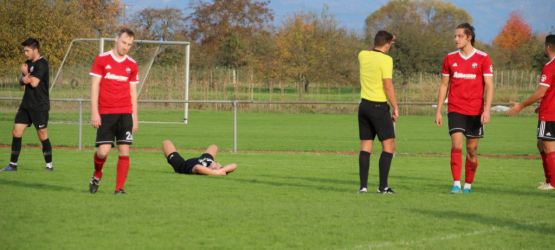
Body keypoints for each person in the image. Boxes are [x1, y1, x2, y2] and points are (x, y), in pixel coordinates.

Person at [435, 23, 494, 194]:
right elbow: (444, 85)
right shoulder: (450, 58)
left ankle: (468, 184)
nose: (456, 39)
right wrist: (438, 109)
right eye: (455, 36)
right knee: (456, 145)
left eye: (459, 36)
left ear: (469, 37)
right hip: (455, 108)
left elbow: (489, 86)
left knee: (472, 150)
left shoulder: (483, 58)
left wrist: (487, 110)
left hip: (476, 111)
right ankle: (456, 184)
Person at [88, 28, 139, 194]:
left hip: (125, 113)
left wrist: (135, 117)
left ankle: (119, 188)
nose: (126, 47)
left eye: (129, 45)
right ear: (116, 39)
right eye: (124, 42)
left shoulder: (132, 64)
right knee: (103, 152)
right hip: (106, 113)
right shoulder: (102, 60)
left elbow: (133, 93)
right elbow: (95, 86)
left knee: (124, 150)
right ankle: (97, 174)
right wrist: (94, 112)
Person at [507, 34, 555, 190]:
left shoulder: (550, 66)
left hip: (550, 114)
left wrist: (521, 105)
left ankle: (553, 183)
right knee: (541, 144)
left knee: (548, 147)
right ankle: (549, 180)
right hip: (547, 109)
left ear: (548, 47)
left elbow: (541, 92)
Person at [2, 38, 53, 172]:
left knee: (42, 134)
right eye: (24, 51)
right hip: (26, 104)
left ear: (35, 49)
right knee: (16, 131)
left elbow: (34, 83)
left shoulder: (42, 64)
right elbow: (22, 83)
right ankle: (13, 165)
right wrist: (24, 79)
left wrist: (25, 75)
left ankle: (49, 165)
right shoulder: (27, 63)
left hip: (39, 105)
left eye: (27, 50)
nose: (25, 53)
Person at [357, 30, 399, 194]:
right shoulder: (387, 60)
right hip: (379, 107)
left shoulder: (362, 55)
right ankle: (383, 186)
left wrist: (385, 39)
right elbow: (387, 85)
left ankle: (363, 186)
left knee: (366, 145)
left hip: (364, 106)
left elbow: (371, 50)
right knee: (389, 146)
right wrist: (395, 106)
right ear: (388, 44)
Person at [162, 140, 237, 176]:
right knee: (214, 146)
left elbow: (197, 167)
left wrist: (214, 173)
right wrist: (222, 170)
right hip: (204, 158)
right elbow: (234, 165)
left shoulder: (205, 169)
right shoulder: (214, 165)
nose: (218, 164)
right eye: (219, 165)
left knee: (166, 142)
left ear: (213, 169)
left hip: (183, 165)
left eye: (217, 166)